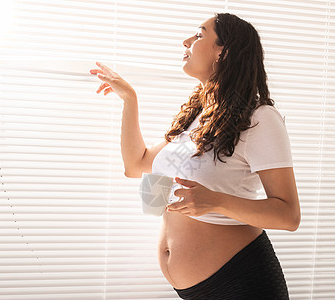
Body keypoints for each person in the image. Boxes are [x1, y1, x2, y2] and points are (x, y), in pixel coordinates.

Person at [90, 12, 300, 300]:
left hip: (242, 282)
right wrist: (129, 99)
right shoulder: (197, 117)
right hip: (194, 291)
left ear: (223, 53)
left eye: (199, 35)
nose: (186, 41)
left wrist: (217, 200)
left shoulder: (259, 118)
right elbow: (135, 165)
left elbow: (289, 215)